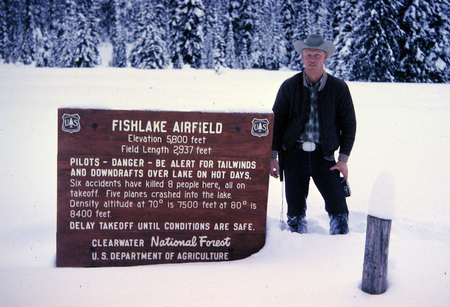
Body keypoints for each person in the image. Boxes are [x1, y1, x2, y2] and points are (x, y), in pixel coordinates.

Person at [270, 33, 356, 235]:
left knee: (338, 204)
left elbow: (349, 125)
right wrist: (272, 155)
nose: (312, 59)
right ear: (302, 56)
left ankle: (341, 238)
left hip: (325, 156)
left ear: (325, 57)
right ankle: (295, 239)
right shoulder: (289, 86)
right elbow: (277, 122)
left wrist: (343, 159)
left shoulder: (339, 88)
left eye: (317, 55)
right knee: (295, 206)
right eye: (308, 55)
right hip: (293, 155)